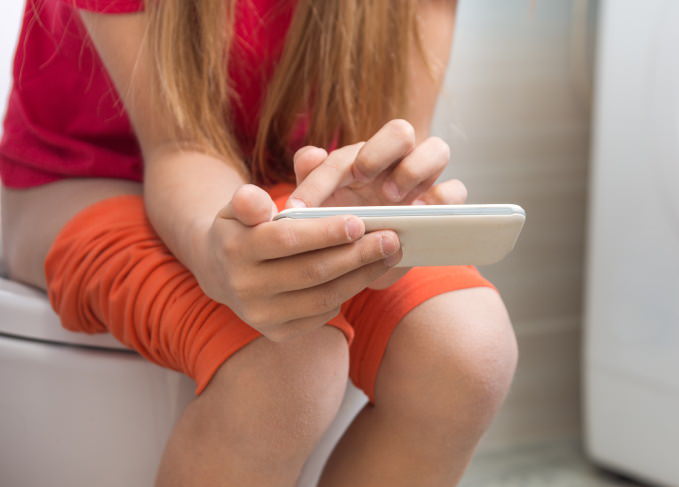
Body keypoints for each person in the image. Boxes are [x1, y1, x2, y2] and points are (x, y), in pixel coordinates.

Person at [0, 0, 518, 485]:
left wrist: (385, 224)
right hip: (81, 179)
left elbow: (391, 137)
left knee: (469, 350)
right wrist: (222, 258)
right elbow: (181, 146)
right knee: (284, 363)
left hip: (286, 182)